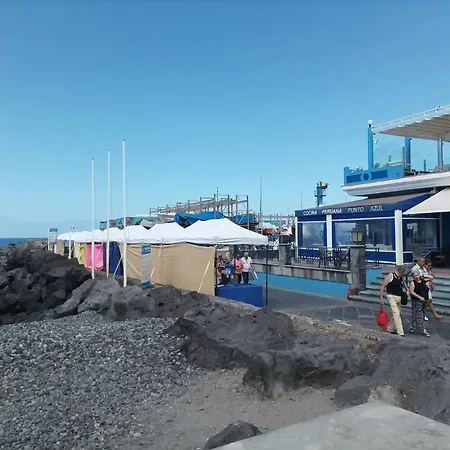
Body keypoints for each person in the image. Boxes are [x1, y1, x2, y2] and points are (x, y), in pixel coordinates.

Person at [380, 266, 407, 337]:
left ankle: (390, 328)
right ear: (400, 272)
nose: (403, 275)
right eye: (403, 274)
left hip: (399, 296)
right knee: (396, 314)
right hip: (391, 296)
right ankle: (400, 332)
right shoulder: (390, 276)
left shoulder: (401, 277)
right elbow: (383, 286)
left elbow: (403, 283)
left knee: (396, 313)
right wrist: (381, 298)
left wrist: (407, 289)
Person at [411, 257, 436, 321]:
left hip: (425, 286)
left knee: (428, 300)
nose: (424, 263)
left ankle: (424, 314)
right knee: (423, 301)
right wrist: (427, 277)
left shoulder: (423, 268)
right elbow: (420, 277)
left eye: (424, 262)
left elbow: (426, 275)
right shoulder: (415, 269)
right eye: (423, 261)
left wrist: (429, 276)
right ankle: (421, 314)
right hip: (419, 286)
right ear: (418, 261)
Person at [408, 271, 431, 337]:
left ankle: (412, 326)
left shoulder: (423, 280)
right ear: (413, 277)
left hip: (425, 300)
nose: (417, 277)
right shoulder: (413, 283)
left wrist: (423, 276)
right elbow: (411, 292)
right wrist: (419, 297)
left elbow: (431, 278)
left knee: (418, 314)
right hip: (417, 301)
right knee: (419, 315)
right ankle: (423, 330)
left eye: (417, 275)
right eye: (415, 276)